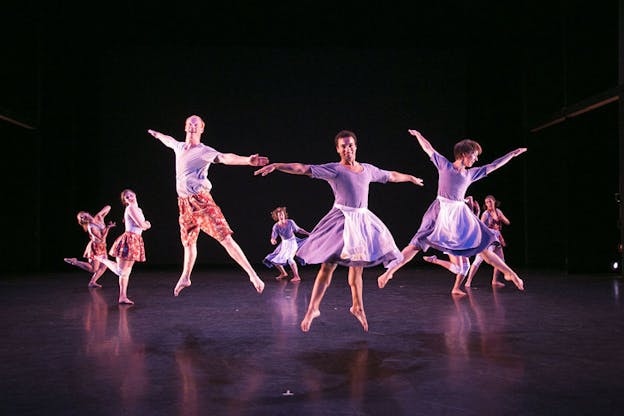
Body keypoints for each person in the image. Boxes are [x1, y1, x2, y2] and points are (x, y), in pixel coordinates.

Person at [255, 130, 424, 332]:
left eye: (350, 145)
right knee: (328, 266)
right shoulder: (335, 170)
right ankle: (313, 309)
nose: (347, 149)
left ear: (356, 146)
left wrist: (411, 178)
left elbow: (392, 176)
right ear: (338, 149)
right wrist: (278, 166)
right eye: (343, 146)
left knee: (357, 268)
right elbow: (303, 168)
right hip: (341, 221)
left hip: (361, 221)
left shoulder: (367, 170)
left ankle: (357, 306)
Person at [377, 129, 526, 296]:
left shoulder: (470, 173)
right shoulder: (444, 165)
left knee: (482, 246)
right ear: (463, 154)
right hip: (439, 210)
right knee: (415, 245)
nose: (476, 158)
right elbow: (429, 148)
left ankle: (511, 274)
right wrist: (419, 136)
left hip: (459, 215)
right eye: (474, 155)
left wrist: (512, 155)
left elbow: (493, 166)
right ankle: (389, 272)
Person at [147, 115, 269, 296]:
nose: (192, 127)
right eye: (189, 124)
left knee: (225, 238)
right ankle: (186, 277)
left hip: (201, 202)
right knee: (188, 242)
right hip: (183, 203)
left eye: (196, 125)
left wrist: (247, 161)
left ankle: (253, 275)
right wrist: (157, 135)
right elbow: (169, 140)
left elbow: (225, 157)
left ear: (202, 129)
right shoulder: (179, 147)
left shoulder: (204, 151)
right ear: (185, 126)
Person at [97, 189, 151, 305]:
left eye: (131, 195)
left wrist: (144, 224)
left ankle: (122, 297)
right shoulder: (130, 208)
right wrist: (147, 224)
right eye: (127, 197)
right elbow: (141, 225)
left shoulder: (138, 209)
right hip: (129, 240)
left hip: (136, 239)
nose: (130, 197)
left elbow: (139, 225)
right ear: (125, 201)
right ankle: (102, 259)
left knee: (126, 272)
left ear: (135, 195)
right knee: (121, 271)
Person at [464, 195, 511, 288]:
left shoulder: (498, 212)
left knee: (501, 260)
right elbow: (480, 226)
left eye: (490, 201)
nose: (488, 204)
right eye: (486, 202)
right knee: (479, 259)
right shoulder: (486, 214)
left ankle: (495, 280)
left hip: (496, 238)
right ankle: (468, 281)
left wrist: (502, 218)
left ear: (494, 202)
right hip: (488, 239)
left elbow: (507, 222)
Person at [64, 205, 116, 288]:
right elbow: (102, 239)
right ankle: (75, 262)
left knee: (104, 265)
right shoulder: (91, 227)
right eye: (81, 218)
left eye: (83, 215)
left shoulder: (98, 218)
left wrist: (100, 213)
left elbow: (109, 207)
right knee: (94, 269)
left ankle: (92, 282)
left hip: (102, 246)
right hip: (96, 247)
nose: (83, 218)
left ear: (87, 213)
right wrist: (108, 227)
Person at [263, 206, 310, 282]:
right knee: (274, 259)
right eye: (279, 215)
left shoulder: (290, 222)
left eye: (282, 214)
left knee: (290, 259)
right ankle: (283, 273)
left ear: (284, 215)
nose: (281, 216)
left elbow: (298, 230)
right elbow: (273, 236)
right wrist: (273, 240)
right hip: (284, 244)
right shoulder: (276, 226)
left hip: (292, 243)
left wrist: (308, 233)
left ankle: (297, 276)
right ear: (277, 217)